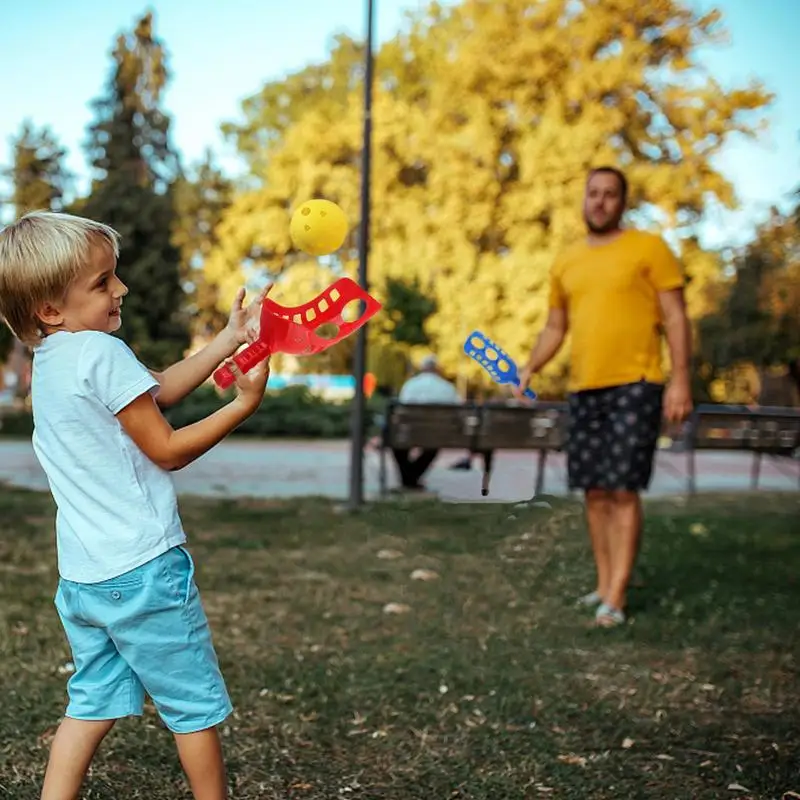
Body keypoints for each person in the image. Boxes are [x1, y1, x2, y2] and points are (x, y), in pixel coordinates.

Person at [0, 210, 270, 800]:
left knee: (91, 699)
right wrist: (240, 408)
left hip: (85, 579)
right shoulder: (101, 351)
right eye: (102, 282)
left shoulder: (52, 364)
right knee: (192, 705)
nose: (120, 288)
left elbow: (162, 389)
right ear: (50, 308)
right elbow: (167, 449)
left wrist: (228, 338)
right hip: (143, 568)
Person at [514, 166, 693, 627]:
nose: (599, 201)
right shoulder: (566, 260)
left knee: (623, 489)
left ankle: (616, 595)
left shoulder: (648, 248)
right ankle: (603, 583)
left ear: (622, 202)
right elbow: (556, 326)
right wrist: (532, 365)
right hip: (584, 388)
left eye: (610, 195)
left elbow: (675, 317)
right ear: (584, 198)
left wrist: (681, 380)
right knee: (594, 490)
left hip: (637, 382)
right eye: (593, 193)